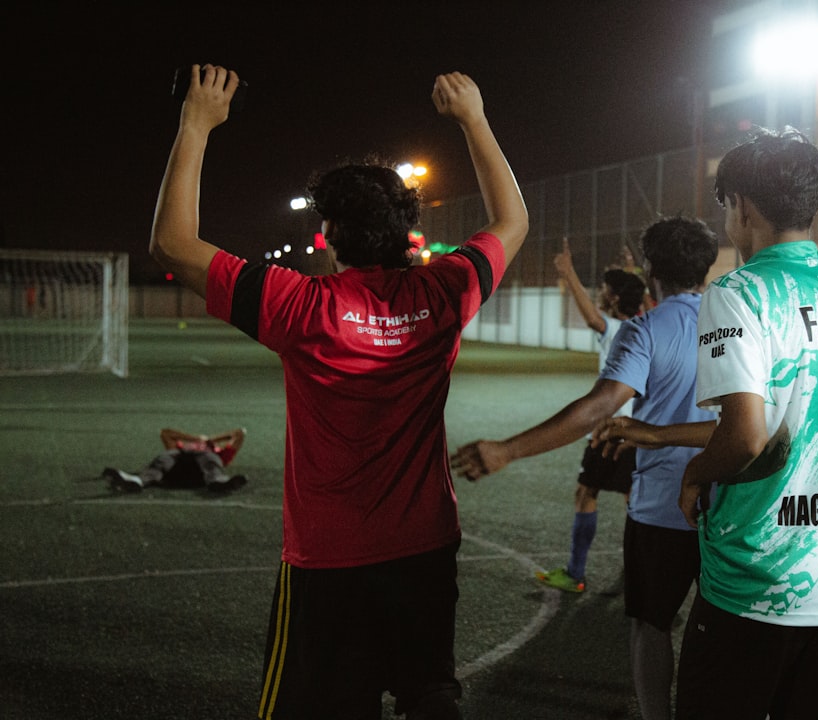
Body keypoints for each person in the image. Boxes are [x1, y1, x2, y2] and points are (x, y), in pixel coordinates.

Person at [151, 65, 527, 720]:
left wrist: (196, 123)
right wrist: (474, 118)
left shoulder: (298, 304)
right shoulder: (444, 292)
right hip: (425, 547)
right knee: (430, 692)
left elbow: (172, 244)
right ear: (405, 229)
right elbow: (513, 219)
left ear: (330, 236)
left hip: (330, 561)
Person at [452, 215, 719, 720]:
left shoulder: (645, 329)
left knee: (651, 624)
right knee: (726, 627)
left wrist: (509, 450)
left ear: (649, 267)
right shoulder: (740, 323)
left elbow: (600, 407)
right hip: (734, 504)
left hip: (663, 507)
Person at [671, 127, 818, 719]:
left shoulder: (738, 293)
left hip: (760, 581)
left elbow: (746, 436)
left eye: (725, 206)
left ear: (740, 205)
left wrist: (694, 472)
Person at [534, 238, 646, 593]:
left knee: (586, 493)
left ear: (613, 298)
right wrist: (630, 272)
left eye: (604, 289)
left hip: (608, 430)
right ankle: (639, 576)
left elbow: (593, 317)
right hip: (638, 431)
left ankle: (575, 573)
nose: (599, 293)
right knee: (635, 503)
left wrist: (568, 274)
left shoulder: (616, 330)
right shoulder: (644, 326)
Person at [104, 427, 247, 492]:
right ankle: (138, 481)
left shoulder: (218, 452)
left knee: (210, 458)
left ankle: (217, 482)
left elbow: (240, 433)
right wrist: (196, 438)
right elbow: (165, 432)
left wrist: (210, 441)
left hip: (198, 474)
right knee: (165, 457)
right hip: (176, 470)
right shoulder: (180, 448)